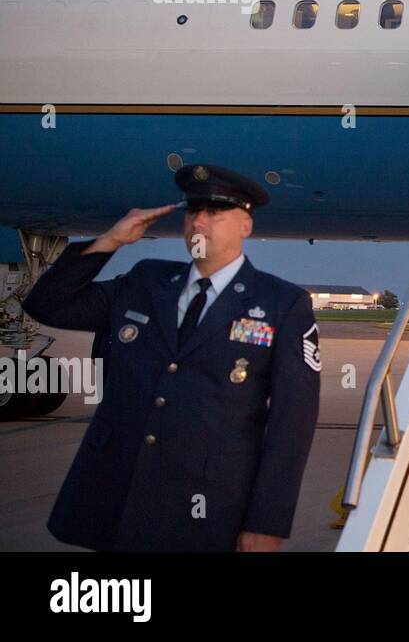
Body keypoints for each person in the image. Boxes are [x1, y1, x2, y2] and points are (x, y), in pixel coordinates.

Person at [22, 163, 321, 552]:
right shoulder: (145, 282)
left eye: (215, 212)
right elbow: (48, 306)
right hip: (120, 495)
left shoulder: (281, 304)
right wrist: (110, 241)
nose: (199, 222)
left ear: (245, 226)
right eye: (192, 212)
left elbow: (291, 425)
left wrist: (267, 522)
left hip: (206, 505)